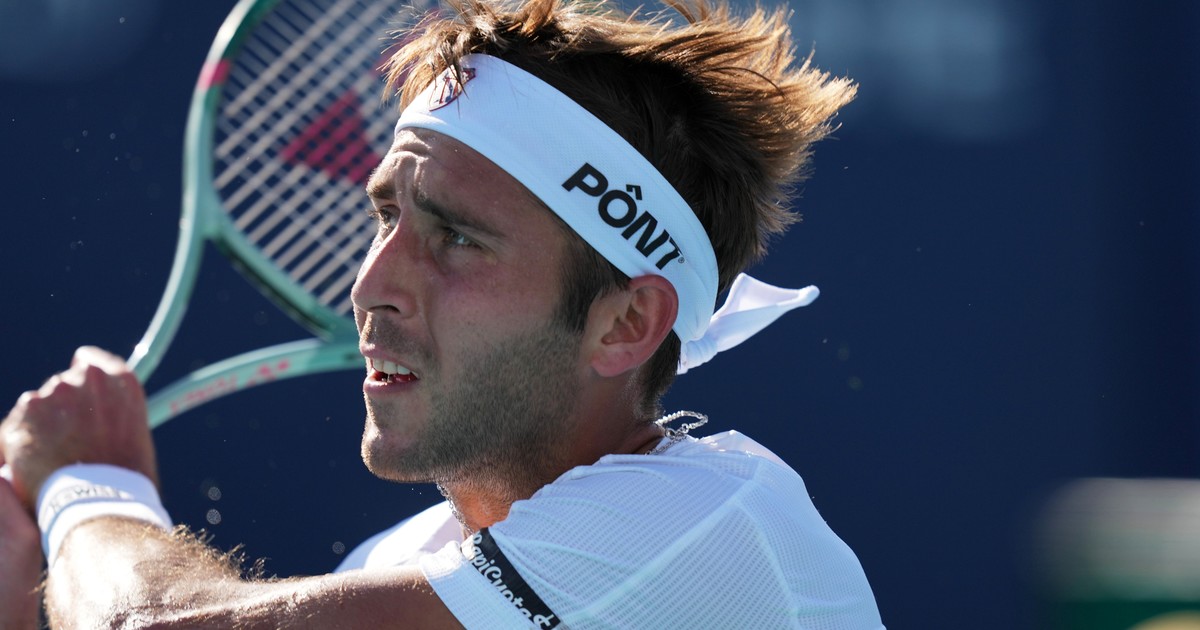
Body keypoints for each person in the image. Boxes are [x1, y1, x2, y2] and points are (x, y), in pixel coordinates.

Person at [0, 0, 883, 626]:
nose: (371, 285)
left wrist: (86, 487)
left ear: (624, 325)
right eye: (386, 215)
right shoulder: (396, 568)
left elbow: (144, 626)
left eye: (457, 237)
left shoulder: (709, 526)